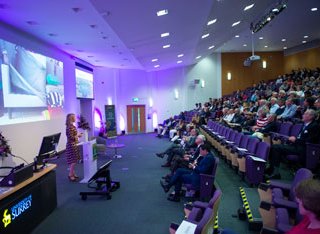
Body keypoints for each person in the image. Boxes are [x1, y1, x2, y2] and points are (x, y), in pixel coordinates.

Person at [266, 109, 320, 179]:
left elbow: (309, 141)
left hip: (303, 149)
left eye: (305, 114)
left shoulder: (314, 126)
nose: (303, 115)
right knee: (275, 147)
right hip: (297, 145)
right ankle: (272, 169)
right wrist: (295, 139)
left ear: (310, 116)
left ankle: (275, 172)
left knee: (276, 147)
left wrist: (295, 140)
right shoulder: (306, 125)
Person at [65, 113, 82, 181]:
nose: (75, 118)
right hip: (71, 145)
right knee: (73, 161)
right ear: (71, 118)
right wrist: (78, 135)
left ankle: (73, 173)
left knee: (74, 160)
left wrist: (78, 135)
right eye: (74, 117)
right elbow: (71, 137)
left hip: (74, 144)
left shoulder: (72, 126)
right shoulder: (69, 127)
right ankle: (70, 174)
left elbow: (73, 136)